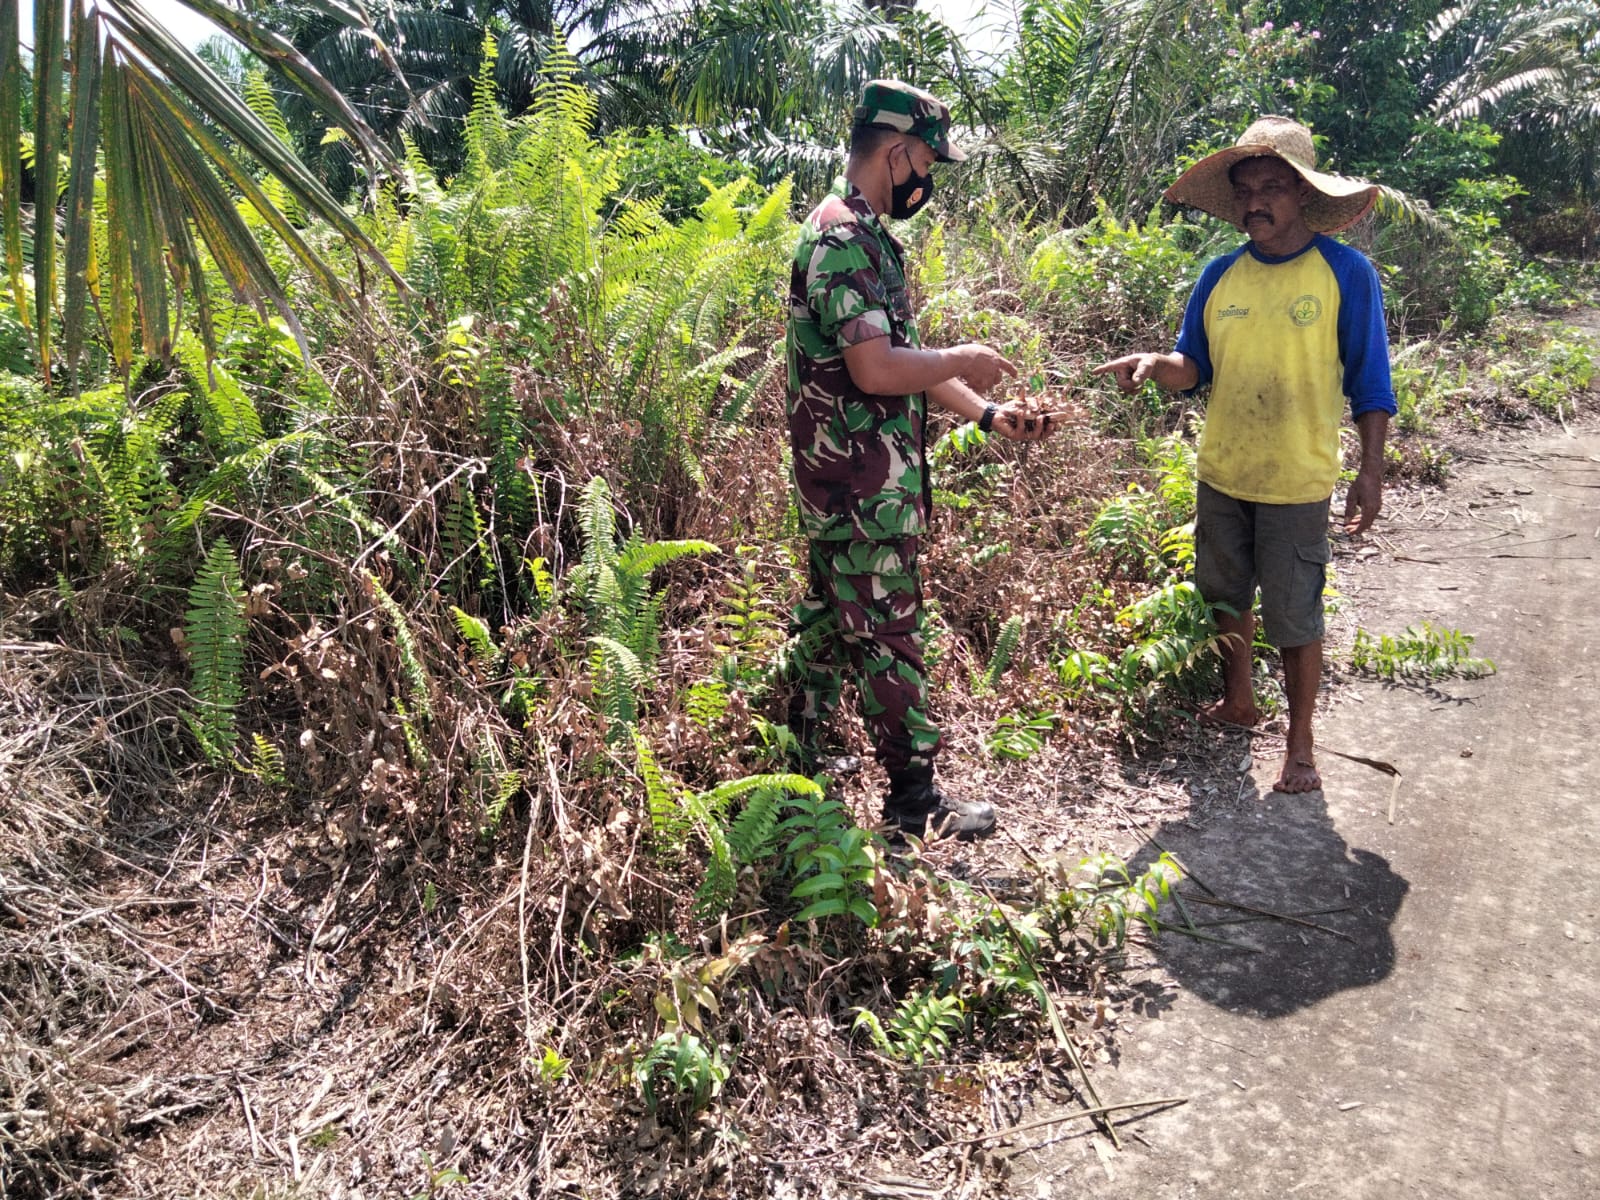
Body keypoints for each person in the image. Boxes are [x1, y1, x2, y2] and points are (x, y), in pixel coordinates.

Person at [783, 79, 1057, 843]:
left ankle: (789, 764)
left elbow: (907, 364)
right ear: (896, 152)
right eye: (928, 163)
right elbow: (877, 371)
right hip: (860, 493)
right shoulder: (841, 238)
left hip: (854, 488)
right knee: (890, 636)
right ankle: (913, 802)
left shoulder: (862, 237)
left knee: (830, 628)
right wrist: (967, 353)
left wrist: (991, 415)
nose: (928, 181)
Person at [1095, 116, 1396, 794]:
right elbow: (1190, 365)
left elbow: (1371, 381)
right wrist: (1152, 363)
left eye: (1271, 188)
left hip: (1296, 476)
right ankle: (1239, 700)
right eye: (1246, 190)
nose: (1255, 202)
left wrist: (1371, 471)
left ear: (1303, 196)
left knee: (1295, 615)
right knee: (1225, 594)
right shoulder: (1219, 275)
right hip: (1225, 468)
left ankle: (1301, 748)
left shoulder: (1345, 273)